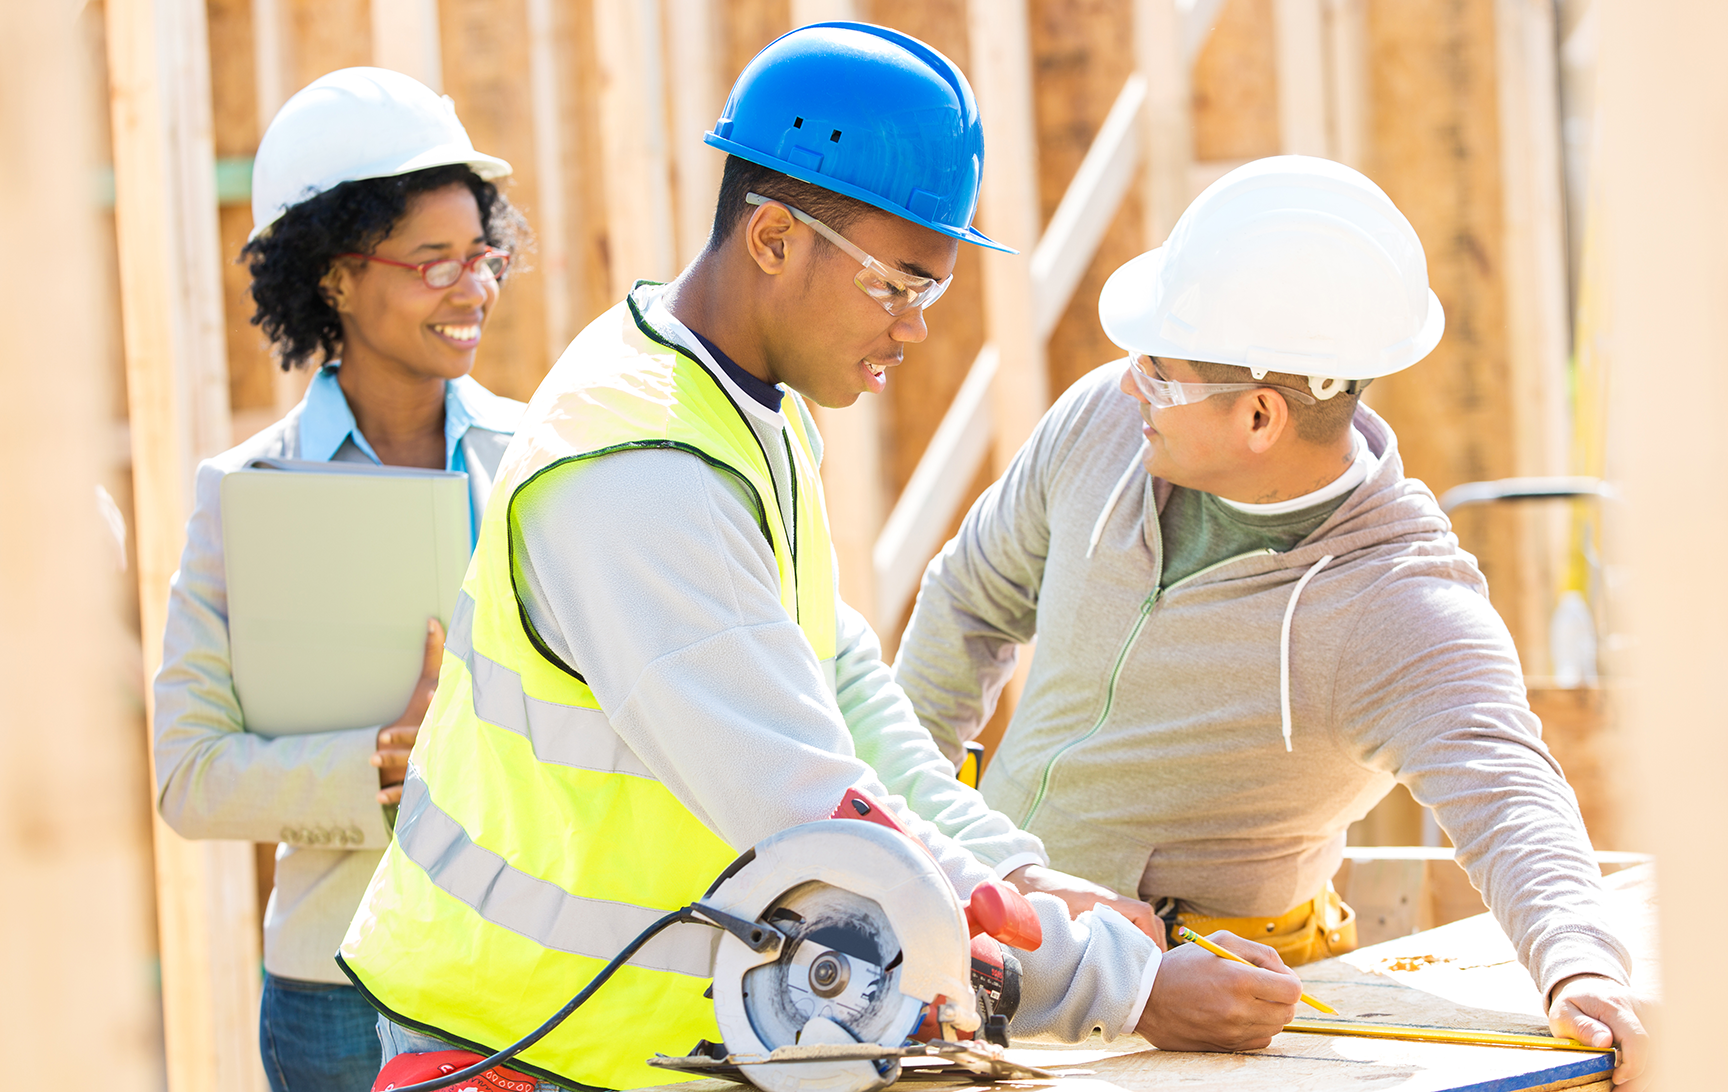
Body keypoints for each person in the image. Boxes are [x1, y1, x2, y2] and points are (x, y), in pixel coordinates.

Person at [339, 24, 1242, 1092]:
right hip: (513, 1042)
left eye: (931, 291)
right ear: (772, 238)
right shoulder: (637, 475)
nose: (912, 329)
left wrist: (1018, 872)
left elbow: (842, 693)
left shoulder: (746, 412)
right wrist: (1120, 990)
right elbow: (809, 807)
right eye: (899, 284)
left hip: (626, 1045)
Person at [892, 155, 1650, 1086]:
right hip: (1007, 930)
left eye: (1159, 372)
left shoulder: (1398, 607)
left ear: (1259, 417)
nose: (1130, 385)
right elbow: (968, 600)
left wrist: (1579, 961)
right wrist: (899, 831)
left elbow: (1509, 791)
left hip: (1215, 1002)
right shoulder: (1101, 427)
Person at [152, 67, 528, 1092]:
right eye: (432, 261)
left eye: (481, 254)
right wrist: (374, 768)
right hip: (335, 993)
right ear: (333, 276)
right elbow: (188, 775)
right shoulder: (243, 495)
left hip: (528, 970)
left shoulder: (541, 465)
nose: (475, 288)